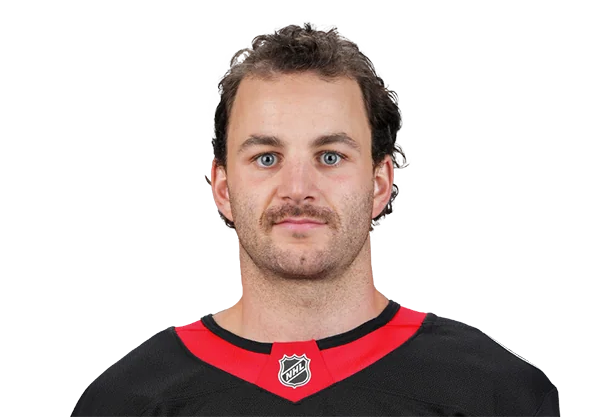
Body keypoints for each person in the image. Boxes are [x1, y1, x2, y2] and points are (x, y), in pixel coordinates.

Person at [71, 21, 559, 416]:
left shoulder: (498, 395)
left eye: (330, 156)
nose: (297, 187)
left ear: (379, 183)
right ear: (222, 188)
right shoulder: (126, 402)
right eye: (266, 157)